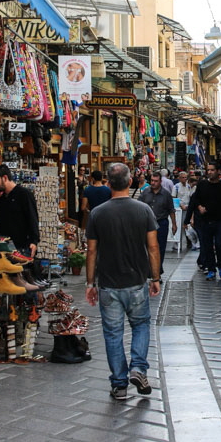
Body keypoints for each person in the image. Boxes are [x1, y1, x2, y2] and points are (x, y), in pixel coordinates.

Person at [85, 163, 160, 400]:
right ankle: (138, 368)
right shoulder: (144, 210)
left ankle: (119, 384)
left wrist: (90, 283)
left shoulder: (98, 213)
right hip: (136, 280)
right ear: (130, 182)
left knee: (113, 334)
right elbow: (153, 247)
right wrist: (155, 277)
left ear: (108, 184)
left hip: (108, 283)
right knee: (140, 325)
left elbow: (91, 251)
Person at [0, 164, 39, 258]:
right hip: (4, 246)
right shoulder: (1, 199)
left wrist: (34, 241)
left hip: (22, 246)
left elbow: (32, 218)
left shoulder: (24, 195)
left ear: (4, 178)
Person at [191, 161, 221, 280]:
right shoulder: (202, 185)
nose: (210, 172)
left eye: (212, 170)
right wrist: (199, 207)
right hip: (205, 221)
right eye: (208, 170)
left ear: (218, 171)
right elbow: (195, 199)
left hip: (219, 221)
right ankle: (211, 269)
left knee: (219, 245)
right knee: (207, 246)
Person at [138, 172, 177, 277]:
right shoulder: (145, 193)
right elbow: (139, 207)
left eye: (156, 181)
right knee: (147, 247)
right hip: (147, 224)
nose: (153, 183)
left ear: (160, 181)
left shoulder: (166, 194)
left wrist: (174, 224)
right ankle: (150, 269)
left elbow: (171, 210)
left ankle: (157, 271)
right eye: (152, 181)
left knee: (160, 248)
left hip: (161, 223)